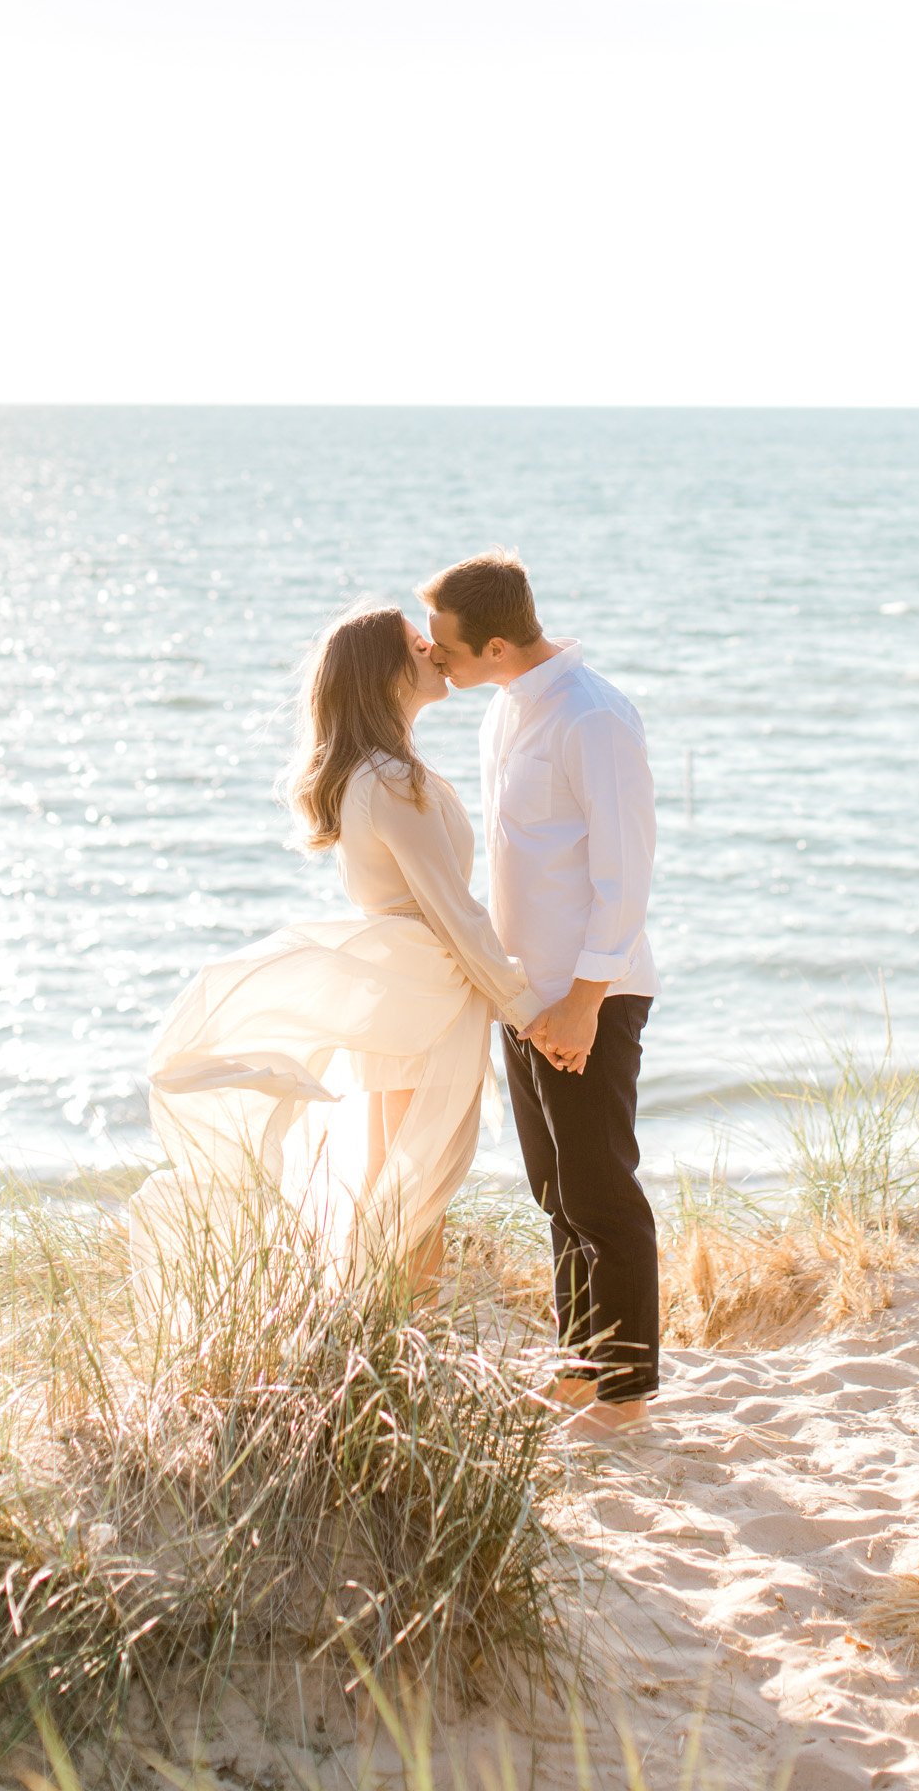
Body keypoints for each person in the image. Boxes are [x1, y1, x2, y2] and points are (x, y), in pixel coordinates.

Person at [128, 602, 543, 1299]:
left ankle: (389, 1335)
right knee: (415, 1190)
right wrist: (525, 1008)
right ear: (386, 673)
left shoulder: (375, 772)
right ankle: (405, 1340)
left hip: (404, 991)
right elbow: (451, 911)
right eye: (419, 646)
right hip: (420, 994)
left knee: (400, 1185)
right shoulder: (388, 781)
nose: (437, 653)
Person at [420, 549, 660, 1441]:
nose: (433, 656)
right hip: (528, 996)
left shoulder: (593, 718)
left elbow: (623, 880)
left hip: (589, 995)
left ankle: (627, 1392)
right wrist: (518, 997)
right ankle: (582, 1363)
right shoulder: (503, 711)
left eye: (444, 644)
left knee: (602, 1191)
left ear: (490, 644)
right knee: (555, 1190)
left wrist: (583, 1002)